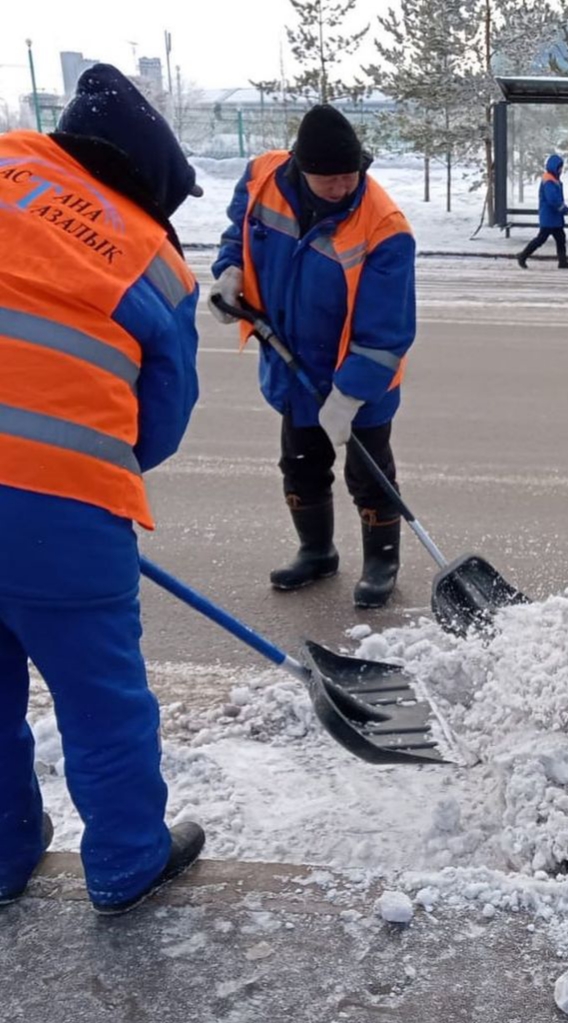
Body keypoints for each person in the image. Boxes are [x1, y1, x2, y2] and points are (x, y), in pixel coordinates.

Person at [0, 64, 204, 915]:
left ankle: (4, 855)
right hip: (63, 515)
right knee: (101, 701)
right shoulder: (153, 260)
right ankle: (125, 863)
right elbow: (159, 420)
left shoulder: (6, 163)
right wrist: (79, 481)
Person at [211, 105, 416, 609]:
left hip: (359, 378)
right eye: (329, 179)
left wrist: (350, 395)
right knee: (301, 463)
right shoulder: (264, 177)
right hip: (290, 362)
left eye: (351, 176)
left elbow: (387, 331)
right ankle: (317, 551)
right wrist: (229, 271)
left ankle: (381, 562)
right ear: (302, 168)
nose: (342, 187)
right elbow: (239, 228)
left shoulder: (385, 228)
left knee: (369, 474)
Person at [517, 154, 568, 270]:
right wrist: (563, 208)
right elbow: (552, 199)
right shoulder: (549, 180)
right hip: (549, 217)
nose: (561, 170)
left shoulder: (552, 178)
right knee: (541, 239)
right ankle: (523, 256)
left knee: (560, 238)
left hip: (553, 217)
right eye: (560, 167)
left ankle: (562, 261)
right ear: (555, 167)